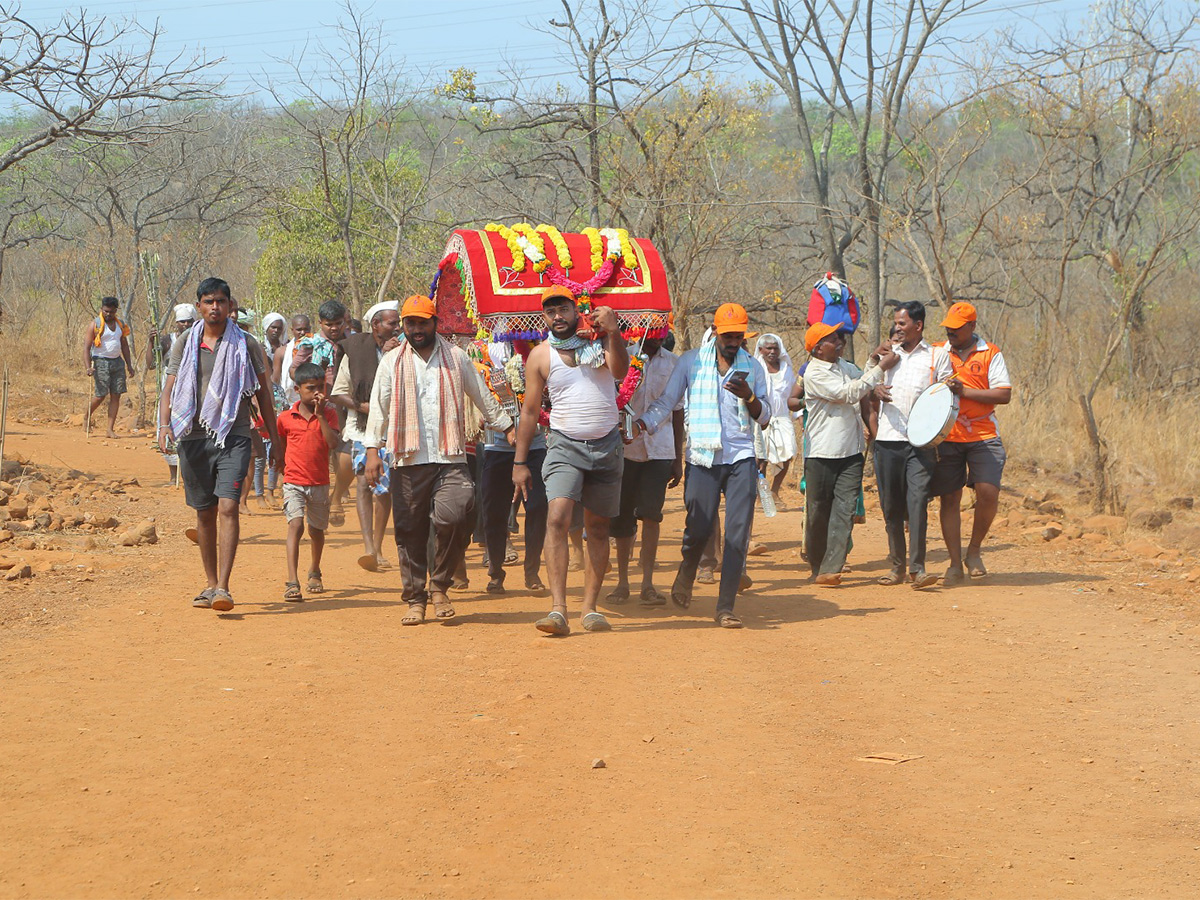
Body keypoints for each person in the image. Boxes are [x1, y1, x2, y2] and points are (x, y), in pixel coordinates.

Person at [364, 295, 514, 625]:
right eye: (411, 323)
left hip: (450, 456)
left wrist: (508, 428)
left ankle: (440, 584)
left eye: (423, 322)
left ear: (436, 323)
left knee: (458, 513)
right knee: (410, 531)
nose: (417, 329)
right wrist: (373, 450)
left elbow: (482, 396)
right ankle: (416, 598)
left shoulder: (457, 358)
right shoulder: (392, 362)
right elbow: (379, 407)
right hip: (408, 459)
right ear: (403, 325)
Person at [634, 303, 770, 628]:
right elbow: (668, 401)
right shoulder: (691, 362)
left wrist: (749, 396)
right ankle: (686, 570)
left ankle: (725, 607)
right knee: (698, 527)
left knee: (737, 535)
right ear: (715, 332)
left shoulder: (752, 367)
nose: (734, 342)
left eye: (739, 336)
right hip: (702, 458)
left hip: (740, 459)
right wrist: (643, 425)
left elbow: (765, 417)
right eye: (728, 336)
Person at [159, 277, 281, 612]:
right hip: (193, 437)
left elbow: (262, 394)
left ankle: (224, 587)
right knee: (205, 512)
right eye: (209, 301)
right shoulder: (186, 341)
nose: (215, 307)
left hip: (234, 433)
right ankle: (210, 583)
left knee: (228, 507)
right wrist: (163, 423)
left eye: (221, 301)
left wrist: (275, 439)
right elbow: (170, 387)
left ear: (230, 305)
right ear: (199, 305)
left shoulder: (247, 343)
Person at [513, 286, 629, 636]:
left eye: (563, 308)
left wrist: (613, 332)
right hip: (564, 445)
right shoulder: (540, 356)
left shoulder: (603, 342)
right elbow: (530, 411)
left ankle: (590, 609)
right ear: (544, 317)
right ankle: (558, 609)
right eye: (550, 312)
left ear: (577, 310)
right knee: (558, 517)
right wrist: (519, 463)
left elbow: (621, 372)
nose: (558, 316)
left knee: (597, 527)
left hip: (607, 446)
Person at [802, 322, 897, 586]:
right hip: (822, 451)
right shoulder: (814, 373)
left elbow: (860, 381)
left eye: (839, 337)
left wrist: (872, 360)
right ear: (819, 348)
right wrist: (881, 368)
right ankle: (817, 562)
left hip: (852, 450)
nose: (840, 341)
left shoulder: (845, 366)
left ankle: (831, 567)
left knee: (844, 509)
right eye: (833, 339)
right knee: (818, 511)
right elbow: (849, 393)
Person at [872, 301, 953, 589]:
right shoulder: (886, 355)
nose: (897, 328)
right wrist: (876, 385)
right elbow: (866, 383)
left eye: (902, 323)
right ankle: (897, 567)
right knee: (891, 506)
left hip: (920, 444)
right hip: (887, 440)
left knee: (917, 502)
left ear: (918, 326)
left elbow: (945, 393)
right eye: (895, 323)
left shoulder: (937, 356)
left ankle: (917, 569)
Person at [932, 302, 1013, 585]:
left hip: (983, 433)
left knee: (988, 492)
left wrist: (964, 391)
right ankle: (954, 561)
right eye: (948, 328)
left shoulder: (990, 353)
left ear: (972, 327)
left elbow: (1003, 395)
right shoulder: (938, 351)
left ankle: (974, 550)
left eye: (957, 328)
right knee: (950, 497)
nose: (951, 332)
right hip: (948, 434)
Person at [608, 333, 683, 607]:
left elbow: (677, 411)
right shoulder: (622, 356)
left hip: (660, 450)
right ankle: (623, 582)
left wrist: (677, 457)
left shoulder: (674, 363)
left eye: (662, 332)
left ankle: (648, 584)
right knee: (622, 519)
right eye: (653, 332)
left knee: (652, 516)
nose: (658, 337)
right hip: (625, 450)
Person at [331, 300, 401, 572]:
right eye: (391, 323)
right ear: (375, 325)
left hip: (394, 429)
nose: (397, 328)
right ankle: (369, 547)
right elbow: (337, 392)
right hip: (362, 428)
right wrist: (362, 407)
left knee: (384, 488)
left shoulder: (406, 348)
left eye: (397, 323)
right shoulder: (355, 351)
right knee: (363, 482)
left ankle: (379, 544)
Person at [479, 341, 548, 595]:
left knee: (538, 507)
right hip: (497, 448)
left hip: (536, 446)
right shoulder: (484, 351)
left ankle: (532, 571)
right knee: (494, 511)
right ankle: (496, 572)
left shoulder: (542, 351)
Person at [277, 362, 341, 601]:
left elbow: (332, 444)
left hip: (319, 481)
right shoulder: (285, 418)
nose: (317, 393)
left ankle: (315, 569)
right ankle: (292, 580)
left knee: (316, 529)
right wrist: (283, 469)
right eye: (310, 388)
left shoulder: (329, 414)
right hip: (293, 481)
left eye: (320, 387)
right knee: (295, 524)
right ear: (297, 389)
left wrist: (321, 416)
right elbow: (282, 446)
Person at [291, 301, 351, 525]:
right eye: (329, 325)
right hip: (320, 406)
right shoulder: (310, 344)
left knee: (343, 451)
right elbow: (293, 369)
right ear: (320, 323)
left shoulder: (352, 341)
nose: (334, 328)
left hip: (346, 404)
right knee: (320, 453)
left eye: (338, 324)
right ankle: (317, 501)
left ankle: (336, 498)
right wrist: (310, 385)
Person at [146, 303, 197, 485]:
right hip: (170, 391)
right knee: (168, 429)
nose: (185, 325)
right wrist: (152, 342)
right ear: (176, 324)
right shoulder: (168, 341)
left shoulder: (198, 339)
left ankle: (188, 476)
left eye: (188, 322)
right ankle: (174, 475)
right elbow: (152, 364)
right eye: (181, 322)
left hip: (191, 391)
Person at [752, 333, 799, 504]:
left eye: (775, 348)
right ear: (761, 350)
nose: (772, 351)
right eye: (768, 348)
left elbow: (793, 392)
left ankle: (774, 491)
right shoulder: (756, 367)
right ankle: (761, 494)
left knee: (787, 454)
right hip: (761, 418)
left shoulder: (786, 368)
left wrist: (799, 417)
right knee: (761, 458)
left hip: (782, 417)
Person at [83, 296, 135, 438]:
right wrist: (88, 367)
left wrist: (129, 365)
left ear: (115, 311)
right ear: (102, 309)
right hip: (100, 361)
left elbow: (124, 345)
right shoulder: (95, 324)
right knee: (100, 395)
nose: (108, 314)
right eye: (105, 311)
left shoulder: (120, 325)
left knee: (116, 395)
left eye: (111, 312)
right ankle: (87, 416)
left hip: (117, 362)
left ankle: (109, 429)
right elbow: (87, 348)